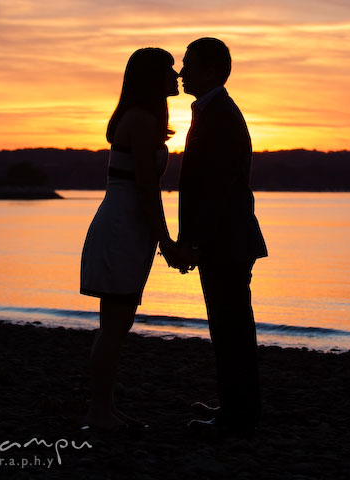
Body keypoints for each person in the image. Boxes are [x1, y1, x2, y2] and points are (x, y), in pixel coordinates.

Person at [79, 48, 184, 430]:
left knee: (116, 323)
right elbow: (145, 189)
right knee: (114, 325)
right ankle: (100, 412)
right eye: (169, 69)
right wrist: (166, 240)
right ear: (151, 78)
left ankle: (104, 409)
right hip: (123, 227)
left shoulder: (143, 119)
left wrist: (156, 238)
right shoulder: (139, 121)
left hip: (128, 227)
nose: (176, 75)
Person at [175, 38, 268, 435]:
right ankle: (236, 405)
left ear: (211, 71)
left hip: (225, 239)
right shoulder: (211, 112)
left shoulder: (220, 116)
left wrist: (192, 240)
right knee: (229, 325)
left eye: (189, 64)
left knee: (230, 327)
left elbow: (214, 189)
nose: (182, 72)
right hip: (225, 237)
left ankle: (237, 414)